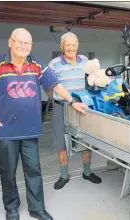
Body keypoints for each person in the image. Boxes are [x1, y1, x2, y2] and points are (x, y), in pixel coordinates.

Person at [0, 28, 88, 220]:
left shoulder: (36, 64)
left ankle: (37, 208)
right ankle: (11, 209)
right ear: (10, 42)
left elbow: (54, 85)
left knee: (34, 171)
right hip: (4, 132)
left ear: (31, 46)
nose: (23, 46)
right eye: (19, 42)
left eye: (27, 43)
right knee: (8, 173)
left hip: (30, 130)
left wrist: (72, 101)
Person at [48, 32, 102, 190]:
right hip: (61, 107)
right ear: (62, 46)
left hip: (83, 106)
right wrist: (56, 99)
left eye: (73, 45)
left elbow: (93, 80)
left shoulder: (85, 61)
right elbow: (49, 86)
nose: (71, 48)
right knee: (60, 142)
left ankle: (87, 172)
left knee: (86, 139)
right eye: (67, 45)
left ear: (77, 45)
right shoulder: (54, 63)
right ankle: (64, 175)